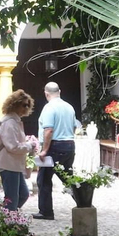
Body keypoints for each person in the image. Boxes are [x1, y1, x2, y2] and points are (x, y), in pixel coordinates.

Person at [35, 81, 78, 220]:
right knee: (68, 177)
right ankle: (83, 200)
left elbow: (48, 130)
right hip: (69, 144)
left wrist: (44, 150)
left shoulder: (49, 108)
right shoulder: (69, 107)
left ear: (46, 94)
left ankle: (46, 211)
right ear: (59, 91)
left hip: (55, 146)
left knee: (44, 179)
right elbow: (74, 127)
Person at [0, 90, 36, 210]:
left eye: (28, 105)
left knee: (23, 195)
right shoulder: (10, 122)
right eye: (23, 105)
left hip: (13, 164)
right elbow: (13, 146)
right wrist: (30, 145)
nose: (26, 107)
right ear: (14, 104)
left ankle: (6, 217)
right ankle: (7, 222)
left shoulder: (15, 121)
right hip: (8, 164)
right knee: (12, 199)